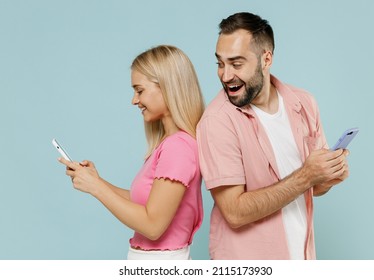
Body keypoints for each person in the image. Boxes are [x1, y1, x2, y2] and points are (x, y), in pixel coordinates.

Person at [196, 12, 350, 260]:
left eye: (236, 64)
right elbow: (234, 212)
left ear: (266, 59)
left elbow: (315, 187)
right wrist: (306, 176)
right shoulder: (217, 121)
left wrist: (328, 175)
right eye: (220, 63)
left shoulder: (304, 103)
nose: (225, 75)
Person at [58, 45, 205, 260]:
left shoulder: (179, 147)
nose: (134, 100)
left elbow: (153, 226)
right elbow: (144, 203)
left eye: (140, 90)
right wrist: (96, 181)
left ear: (166, 87)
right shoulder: (170, 144)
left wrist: (96, 187)